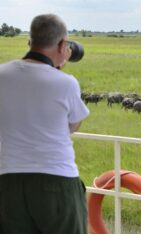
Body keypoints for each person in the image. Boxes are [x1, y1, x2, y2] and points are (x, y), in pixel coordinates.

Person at [0, 14, 89, 234]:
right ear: (61, 45)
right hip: (57, 181)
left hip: (8, 181)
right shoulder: (66, 83)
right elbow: (73, 126)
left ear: (30, 42)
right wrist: (57, 70)